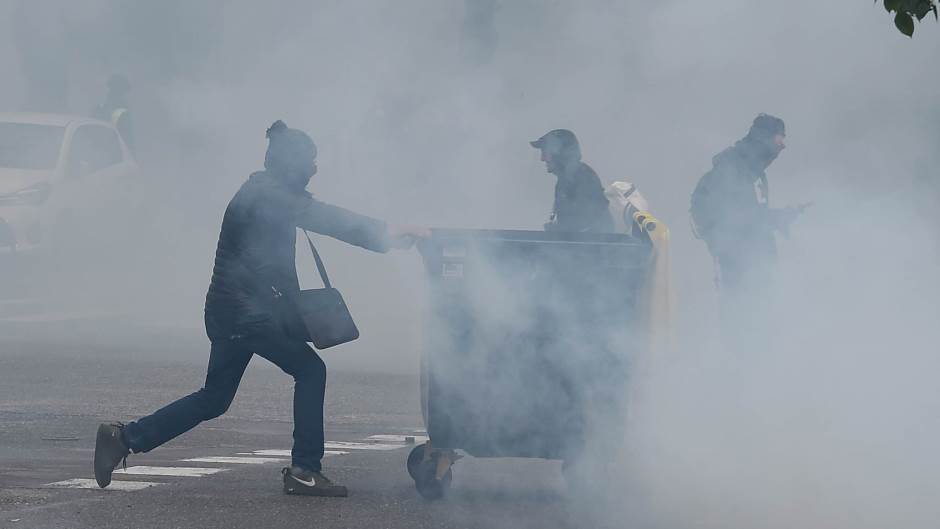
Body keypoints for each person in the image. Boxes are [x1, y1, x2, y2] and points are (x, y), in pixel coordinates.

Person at [93, 120, 428, 497]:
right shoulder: (269, 196)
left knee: (215, 398)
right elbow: (328, 219)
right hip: (244, 315)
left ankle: (124, 438)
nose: (314, 170)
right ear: (290, 165)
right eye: (309, 163)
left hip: (232, 313)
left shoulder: (263, 190)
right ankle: (304, 470)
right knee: (310, 370)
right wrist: (388, 232)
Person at [690, 114, 807, 295]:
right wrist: (777, 217)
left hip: (755, 265)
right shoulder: (732, 168)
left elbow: (752, 215)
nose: (782, 146)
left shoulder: (753, 172)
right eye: (778, 139)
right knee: (743, 314)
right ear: (764, 139)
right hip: (739, 267)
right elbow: (738, 216)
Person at [531, 129, 614, 233]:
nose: (542, 158)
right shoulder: (567, 179)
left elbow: (588, 222)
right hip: (584, 246)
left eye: (545, 152)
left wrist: (559, 232)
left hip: (594, 247)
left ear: (559, 152)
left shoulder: (581, 176)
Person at [93, 74, 135, 154]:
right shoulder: (101, 108)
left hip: (109, 152)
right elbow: (128, 138)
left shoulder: (101, 108)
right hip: (109, 153)